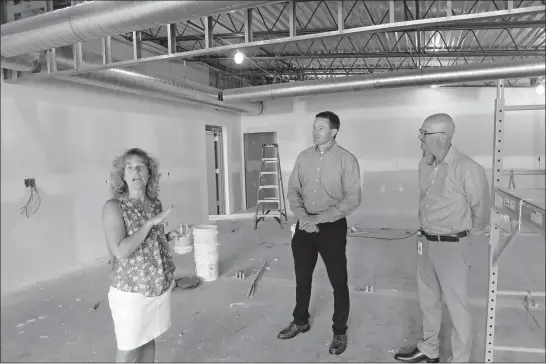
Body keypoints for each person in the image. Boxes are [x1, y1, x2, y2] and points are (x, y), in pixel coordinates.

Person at [394, 113, 490, 363]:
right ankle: (429, 350)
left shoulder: (467, 168)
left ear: (444, 137)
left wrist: (466, 240)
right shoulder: (426, 164)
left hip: (452, 245)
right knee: (429, 300)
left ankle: (459, 359)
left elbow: (481, 210)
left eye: (424, 134)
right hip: (425, 242)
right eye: (421, 132)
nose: (420, 138)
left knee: (457, 307)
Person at [278, 111, 361, 355]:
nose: (315, 131)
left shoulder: (347, 160)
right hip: (304, 226)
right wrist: (305, 218)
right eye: (314, 127)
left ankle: (339, 330)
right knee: (302, 277)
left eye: (321, 128)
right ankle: (300, 320)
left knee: (338, 281)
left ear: (333, 131)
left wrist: (320, 218)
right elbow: (293, 190)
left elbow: (353, 198)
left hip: (332, 227)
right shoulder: (304, 157)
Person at [101, 148, 182, 362]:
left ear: (149, 173)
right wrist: (149, 223)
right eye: (130, 167)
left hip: (156, 285)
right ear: (123, 175)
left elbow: (151, 242)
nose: (136, 171)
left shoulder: (154, 204)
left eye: (141, 166)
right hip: (131, 290)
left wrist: (171, 235)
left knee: (148, 337)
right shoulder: (114, 207)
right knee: (128, 349)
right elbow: (122, 251)